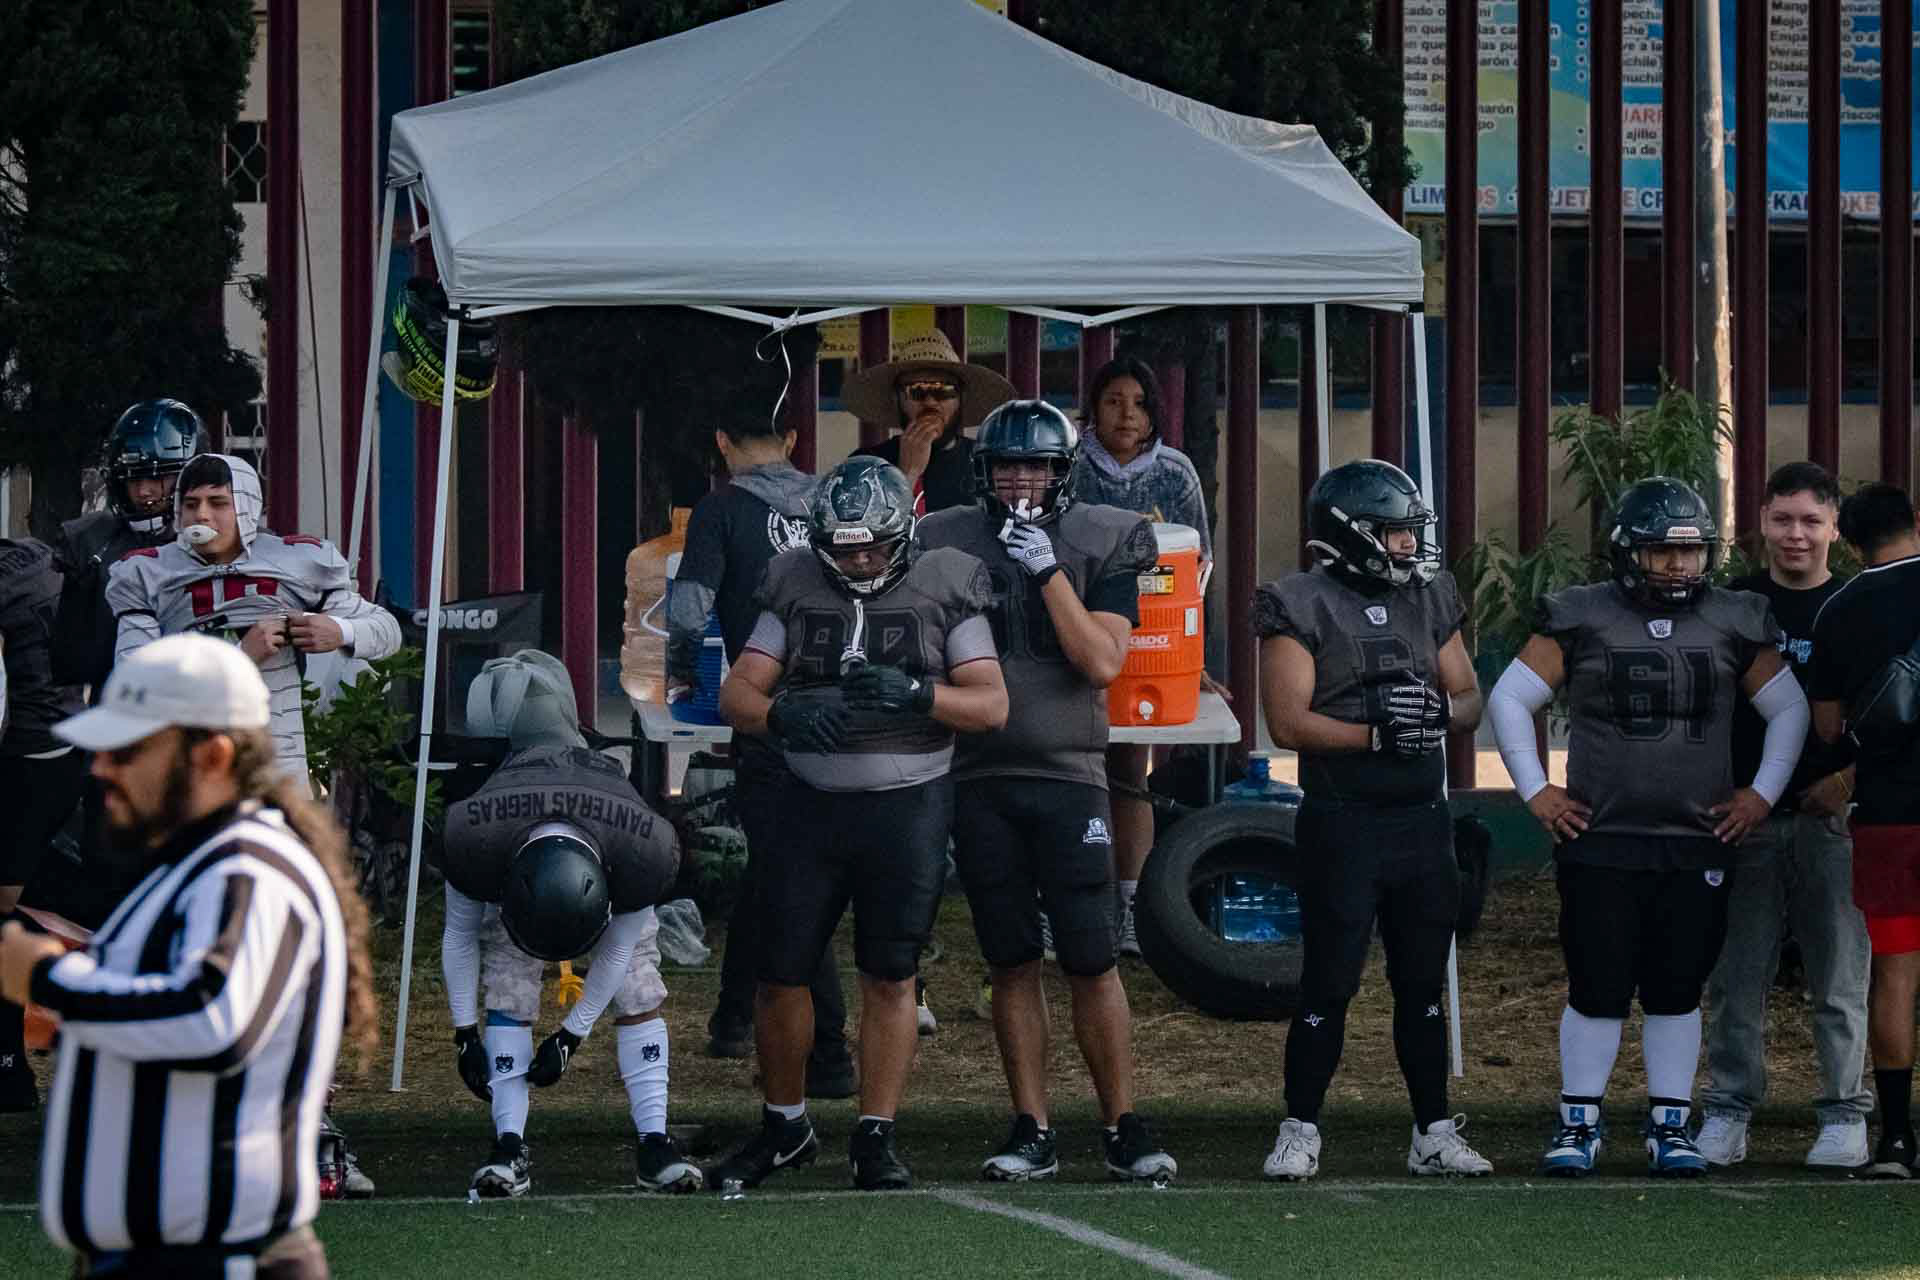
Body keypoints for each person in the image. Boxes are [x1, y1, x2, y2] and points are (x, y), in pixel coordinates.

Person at [0, 634, 376, 1278]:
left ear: (211, 756)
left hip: (216, 1260)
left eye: (127, 751)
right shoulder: (201, 866)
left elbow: (212, 1017)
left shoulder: (245, 869)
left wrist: (48, 978)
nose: (101, 769)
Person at [1488, 476, 1808, 1178]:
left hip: (1695, 839)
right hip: (1602, 836)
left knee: (1677, 988)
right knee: (1596, 986)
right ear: (1627, 552)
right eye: (1663, 551)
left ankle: (1670, 1124)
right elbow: (1510, 698)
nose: (1678, 565)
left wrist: (1761, 794)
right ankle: (1579, 1120)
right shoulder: (1584, 614)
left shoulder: (1733, 617)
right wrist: (1536, 790)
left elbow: (1790, 708)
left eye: (1690, 552)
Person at [711, 457, 1006, 1191]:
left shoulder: (946, 581)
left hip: (907, 806)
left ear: (903, 534)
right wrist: (779, 714)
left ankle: (875, 1133)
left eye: (873, 547)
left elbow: (991, 704)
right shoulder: (793, 579)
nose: (861, 562)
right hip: (809, 804)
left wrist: (918, 694)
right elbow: (738, 692)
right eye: (845, 550)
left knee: (890, 972)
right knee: (780, 972)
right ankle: (785, 1125)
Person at [919, 399, 1176, 1183]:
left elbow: (1100, 662)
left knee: (1092, 957)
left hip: (1069, 774)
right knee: (1010, 959)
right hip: (978, 776)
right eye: (1007, 466)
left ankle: (1121, 1121)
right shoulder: (944, 536)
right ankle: (1031, 1125)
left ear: (1064, 473)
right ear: (984, 472)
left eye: (1036, 465)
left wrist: (1048, 571)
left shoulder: (1108, 534)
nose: (1021, 480)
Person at [1254, 459, 1491, 1181]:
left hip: (1421, 818)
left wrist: (1436, 717)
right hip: (1344, 819)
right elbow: (1287, 722)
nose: (1408, 545)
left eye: (1409, 531)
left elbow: (1469, 697)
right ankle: (1300, 1128)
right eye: (1393, 533)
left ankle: (1433, 1131)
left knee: (1421, 984)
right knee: (1330, 981)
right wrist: (1375, 735)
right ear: (1352, 534)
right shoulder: (1298, 602)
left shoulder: (1428, 594)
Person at [442, 650, 694, 1197]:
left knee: (638, 984)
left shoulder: (641, 848)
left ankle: (655, 1139)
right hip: (522, 845)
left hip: (593, 843)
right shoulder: (475, 836)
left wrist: (571, 1035)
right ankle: (508, 1142)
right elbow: (459, 934)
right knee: (508, 980)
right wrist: (463, 1034)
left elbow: (620, 949)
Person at [672, 412, 852, 1097]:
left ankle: (830, 1053)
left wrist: (682, 675)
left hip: (767, 709)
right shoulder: (836, 501)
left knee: (792, 876)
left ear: (722, 441)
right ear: (794, 441)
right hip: (844, 707)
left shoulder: (720, 511)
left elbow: (689, 610)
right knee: (778, 865)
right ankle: (731, 1017)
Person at [1698, 463, 1871, 1169]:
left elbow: (1891, 715)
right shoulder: (1731, 606)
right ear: (1761, 523)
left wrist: (1849, 782)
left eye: (1810, 521)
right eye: (1782, 519)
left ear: (1835, 528)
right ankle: (1729, 1109)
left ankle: (1844, 1114)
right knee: (1736, 978)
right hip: (1744, 818)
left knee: (1840, 980)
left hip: (1834, 822)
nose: (1795, 534)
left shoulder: (1859, 605)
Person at [106, 453, 401, 784]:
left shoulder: (295, 562)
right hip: (193, 765)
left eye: (218, 502)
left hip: (277, 762)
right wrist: (240, 657)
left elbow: (388, 632)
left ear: (246, 506)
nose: (201, 515)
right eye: (191, 504)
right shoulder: (147, 572)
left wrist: (340, 630)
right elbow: (136, 688)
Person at [1068, 357, 1216, 957]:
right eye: (1113, 401)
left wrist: (1191, 658)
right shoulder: (1069, 466)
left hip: (1150, 647)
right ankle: (1074, 906)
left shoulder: (1176, 472)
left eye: (1139, 403)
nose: (1126, 414)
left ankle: (1133, 910)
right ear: (1093, 409)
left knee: (1129, 772)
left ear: (1155, 413)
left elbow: (1198, 570)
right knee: (1073, 775)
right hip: (1077, 642)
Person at [1807, 482, 1920, 1179]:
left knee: (1895, 975)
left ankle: (1897, 1140)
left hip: (1887, 818)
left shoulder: (1840, 608)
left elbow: (1827, 727)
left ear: (1849, 545)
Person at [0, 536, 87, 1112]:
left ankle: (9, 1064)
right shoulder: (40, 556)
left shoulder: (18, 571)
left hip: (32, 756)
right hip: (60, 747)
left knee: (10, 906)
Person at [51, 399, 207, 694]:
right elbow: (66, 658)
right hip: (116, 700)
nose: (143, 491)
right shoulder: (90, 540)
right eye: (133, 478)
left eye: (156, 477)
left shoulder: (227, 540)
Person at [844, 331, 1016, 514]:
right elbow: (857, 526)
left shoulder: (987, 462)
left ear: (961, 399)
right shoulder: (865, 464)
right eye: (916, 391)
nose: (930, 402)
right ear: (897, 400)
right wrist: (908, 473)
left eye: (944, 390)